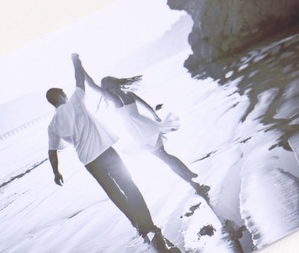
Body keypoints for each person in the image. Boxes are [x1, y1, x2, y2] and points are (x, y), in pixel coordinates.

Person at [46, 53, 160, 238]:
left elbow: (52, 152)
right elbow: (79, 79)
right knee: (128, 185)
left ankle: (137, 224)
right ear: (61, 95)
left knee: (114, 193)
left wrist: (56, 172)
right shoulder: (75, 102)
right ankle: (148, 223)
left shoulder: (52, 125)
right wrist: (76, 61)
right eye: (64, 93)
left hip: (89, 161)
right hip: (106, 152)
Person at [77, 57, 209, 198]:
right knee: (166, 156)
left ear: (109, 87)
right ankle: (190, 176)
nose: (106, 91)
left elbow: (91, 85)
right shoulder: (128, 94)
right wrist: (155, 117)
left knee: (165, 159)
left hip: (141, 133)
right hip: (146, 127)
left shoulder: (114, 99)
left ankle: (193, 183)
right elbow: (147, 106)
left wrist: (79, 65)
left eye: (106, 88)